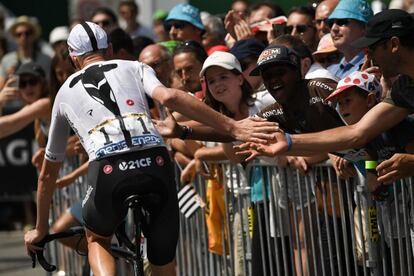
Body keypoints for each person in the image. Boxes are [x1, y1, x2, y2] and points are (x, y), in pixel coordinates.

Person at [23, 21, 277, 276]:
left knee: (97, 240)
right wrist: (234, 128)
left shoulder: (65, 91)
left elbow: (47, 173)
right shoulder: (136, 66)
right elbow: (169, 97)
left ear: (73, 58)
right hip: (155, 160)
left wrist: (41, 229)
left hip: (108, 169)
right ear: (110, 49)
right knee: (162, 260)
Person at [235, 9, 414, 184]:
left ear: (394, 45)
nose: (368, 56)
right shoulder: (403, 87)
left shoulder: (320, 86)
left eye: (372, 48)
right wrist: (289, 142)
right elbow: (358, 132)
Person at [0, 16, 52, 88]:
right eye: (19, 34)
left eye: (27, 33)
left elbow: (51, 87)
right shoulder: (6, 60)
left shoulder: (46, 60)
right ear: (15, 38)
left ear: (34, 35)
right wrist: (7, 78)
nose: (23, 37)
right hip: (14, 98)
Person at [326, 0, 373, 79]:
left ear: (364, 27)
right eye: (331, 24)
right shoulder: (329, 71)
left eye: (342, 22)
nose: (333, 28)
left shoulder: (376, 67)